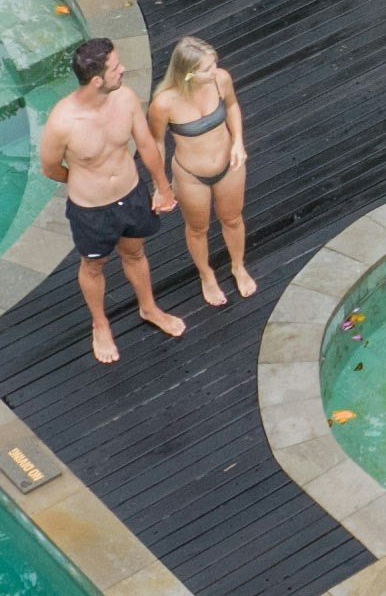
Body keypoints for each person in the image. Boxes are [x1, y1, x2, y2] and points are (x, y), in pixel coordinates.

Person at [37, 37, 184, 363]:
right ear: (96, 80)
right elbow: (50, 168)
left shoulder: (126, 99)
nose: (123, 70)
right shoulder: (62, 122)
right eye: (116, 68)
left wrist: (163, 187)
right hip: (91, 211)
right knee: (93, 265)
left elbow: (145, 145)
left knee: (135, 253)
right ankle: (100, 324)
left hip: (131, 196)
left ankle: (149, 308)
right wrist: (85, 181)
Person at [151, 36, 252, 308]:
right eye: (207, 68)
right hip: (191, 175)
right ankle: (206, 274)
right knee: (198, 228)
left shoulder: (221, 79)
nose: (214, 70)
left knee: (233, 219)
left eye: (214, 63)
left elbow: (231, 105)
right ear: (188, 73)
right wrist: (160, 186)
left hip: (228, 165)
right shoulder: (164, 104)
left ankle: (238, 266)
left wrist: (238, 142)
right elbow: (157, 143)